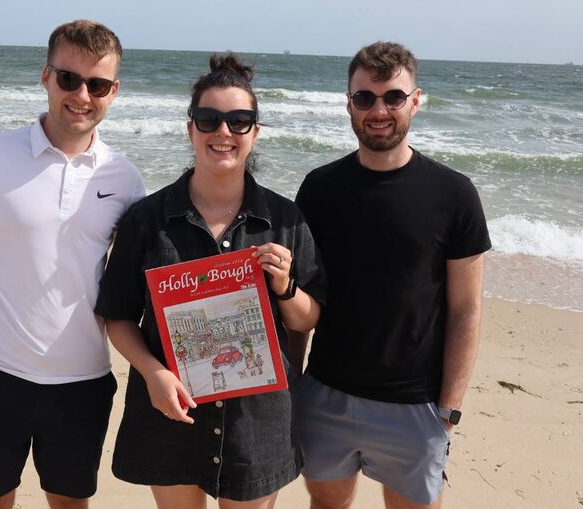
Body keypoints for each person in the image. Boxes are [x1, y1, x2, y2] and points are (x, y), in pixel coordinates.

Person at [94, 54, 327, 509]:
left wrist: (285, 287)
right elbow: (117, 315)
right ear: (190, 129)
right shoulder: (148, 219)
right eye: (209, 119)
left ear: (255, 132)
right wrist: (153, 372)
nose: (224, 132)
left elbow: (308, 319)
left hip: (257, 421)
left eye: (240, 121)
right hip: (171, 411)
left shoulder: (285, 219)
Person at [0, 19, 145, 509]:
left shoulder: (127, 178)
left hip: (83, 384)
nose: (82, 96)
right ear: (46, 76)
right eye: (69, 79)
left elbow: (142, 283)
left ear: (114, 91)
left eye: (97, 85)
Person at [293, 41, 491, 509]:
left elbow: (466, 310)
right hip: (325, 393)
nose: (378, 110)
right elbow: (300, 297)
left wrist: (448, 409)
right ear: (349, 104)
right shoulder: (319, 188)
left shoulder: (455, 194)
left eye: (392, 97)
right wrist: (291, 384)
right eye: (365, 98)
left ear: (415, 100)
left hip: (415, 405)